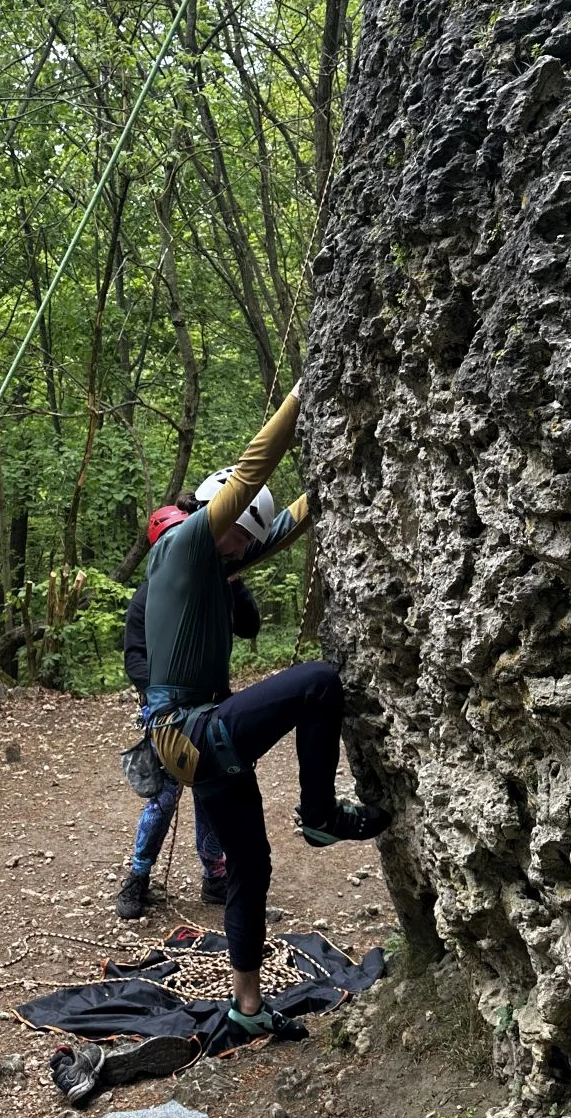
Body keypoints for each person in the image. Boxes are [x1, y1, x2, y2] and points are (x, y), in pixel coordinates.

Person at [142, 385, 389, 1038]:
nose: (239, 556)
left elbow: (279, 528)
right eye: (234, 542)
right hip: (190, 728)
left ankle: (245, 1009)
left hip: (201, 742)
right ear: (216, 521)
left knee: (253, 867)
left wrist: (335, 476)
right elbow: (253, 471)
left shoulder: (212, 562)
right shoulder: (186, 544)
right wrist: (302, 399)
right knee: (317, 683)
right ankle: (321, 814)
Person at [113, 497, 251, 921]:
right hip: (170, 712)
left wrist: (233, 581)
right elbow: (135, 657)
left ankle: (214, 875)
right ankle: (137, 878)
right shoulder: (148, 597)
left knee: (210, 794)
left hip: (210, 705)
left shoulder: (211, 588)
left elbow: (249, 625)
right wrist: (160, 695)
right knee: (164, 797)